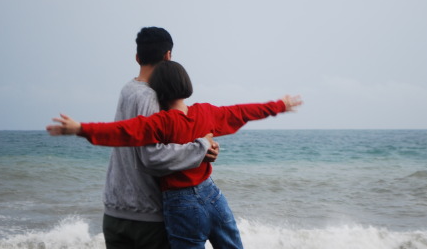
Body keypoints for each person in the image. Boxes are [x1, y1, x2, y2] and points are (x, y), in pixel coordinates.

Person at [47, 60, 303, 249]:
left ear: (158, 92)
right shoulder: (206, 112)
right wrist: (278, 106)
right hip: (212, 195)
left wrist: (81, 129)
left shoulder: (161, 122)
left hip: (180, 204)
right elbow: (242, 111)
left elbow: (124, 131)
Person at [99, 27, 219, 249]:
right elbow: (151, 157)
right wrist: (201, 147)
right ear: (168, 56)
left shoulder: (128, 89)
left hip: (114, 213)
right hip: (146, 217)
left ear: (137, 57)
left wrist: (201, 148)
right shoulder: (152, 97)